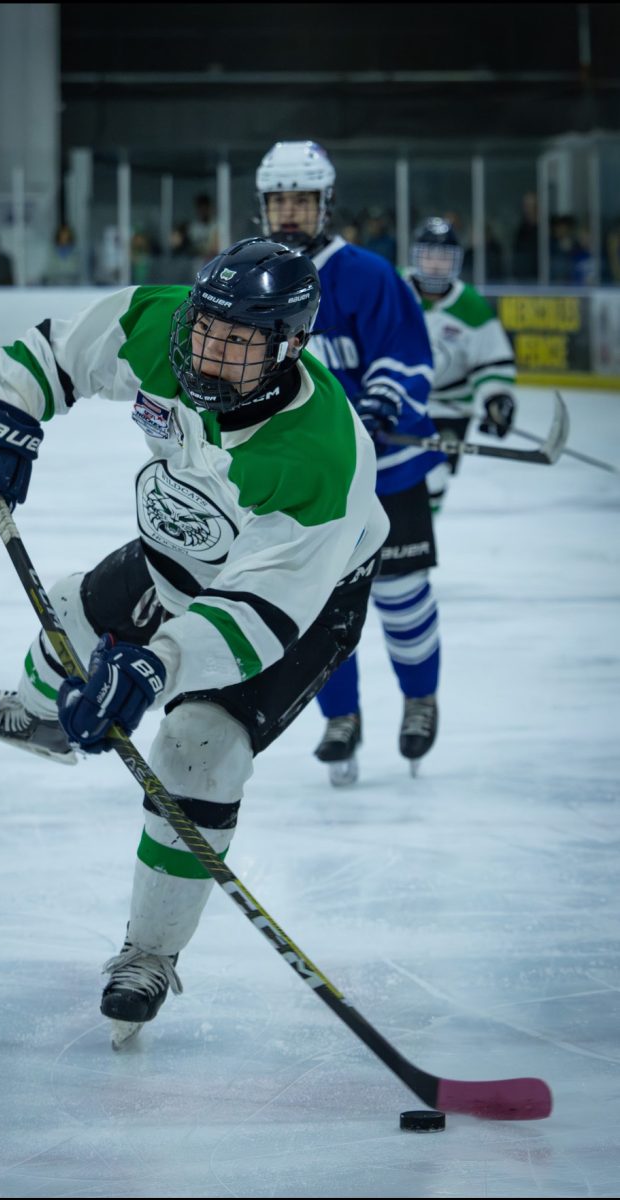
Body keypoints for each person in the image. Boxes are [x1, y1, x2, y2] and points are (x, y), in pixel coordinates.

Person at [0, 236, 389, 1045]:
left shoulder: (320, 457)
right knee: (75, 607)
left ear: (289, 347)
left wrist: (157, 665)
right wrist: (2, 409)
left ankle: (147, 952)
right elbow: (57, 352)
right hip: (188, 537)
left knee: (198, 746)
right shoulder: (166, 327)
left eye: (237, 341)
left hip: (300, 598)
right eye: (205, 326)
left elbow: (259, 611)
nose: (207, 349)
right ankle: (42, 717)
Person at [256, 140, 445, 786]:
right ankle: (342, 718)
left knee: (401, 595)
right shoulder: (253, 281)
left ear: (324, 205)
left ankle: (420, 697)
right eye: (278, 199)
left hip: (388, 476)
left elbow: (406, 354)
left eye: (300, 200)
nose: (288, 212)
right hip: (310, 488)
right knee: (313, 607)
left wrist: (384, 405)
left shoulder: (366, 275)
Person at [402, 217, 517, 513]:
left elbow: (492, 362)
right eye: (429, 255)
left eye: (444, 257)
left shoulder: (471, 306)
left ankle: (419, 547)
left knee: (435, 478)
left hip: (450, 409)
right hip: (400, 401)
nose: (436, 265)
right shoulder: (395, 290)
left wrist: (496, 400)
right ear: (416, 257)